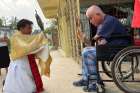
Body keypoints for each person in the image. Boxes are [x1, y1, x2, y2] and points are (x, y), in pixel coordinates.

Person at [73, 5, 130, 92]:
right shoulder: (103, 22)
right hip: (111, 47)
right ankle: (86, 78)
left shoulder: (108, 21)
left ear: (98, 14)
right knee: (85, 51)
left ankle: (94, 83)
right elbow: (98, 42)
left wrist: (84, 39)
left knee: (88, 53)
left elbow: (93, 41)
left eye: (91, 18)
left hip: (117, 49)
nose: (90, 21)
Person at [3, 19, 52, 93]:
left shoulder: (26, 37)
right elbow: (27, 48)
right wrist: (41, 38)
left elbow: (33, 46)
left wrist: (43, 45)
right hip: (20, 64)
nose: (31, 30)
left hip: (27, 62)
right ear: (21, 28)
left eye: (31, 28)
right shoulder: (16, 37)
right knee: (23, 83)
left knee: (29, 79)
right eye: (29, 28)